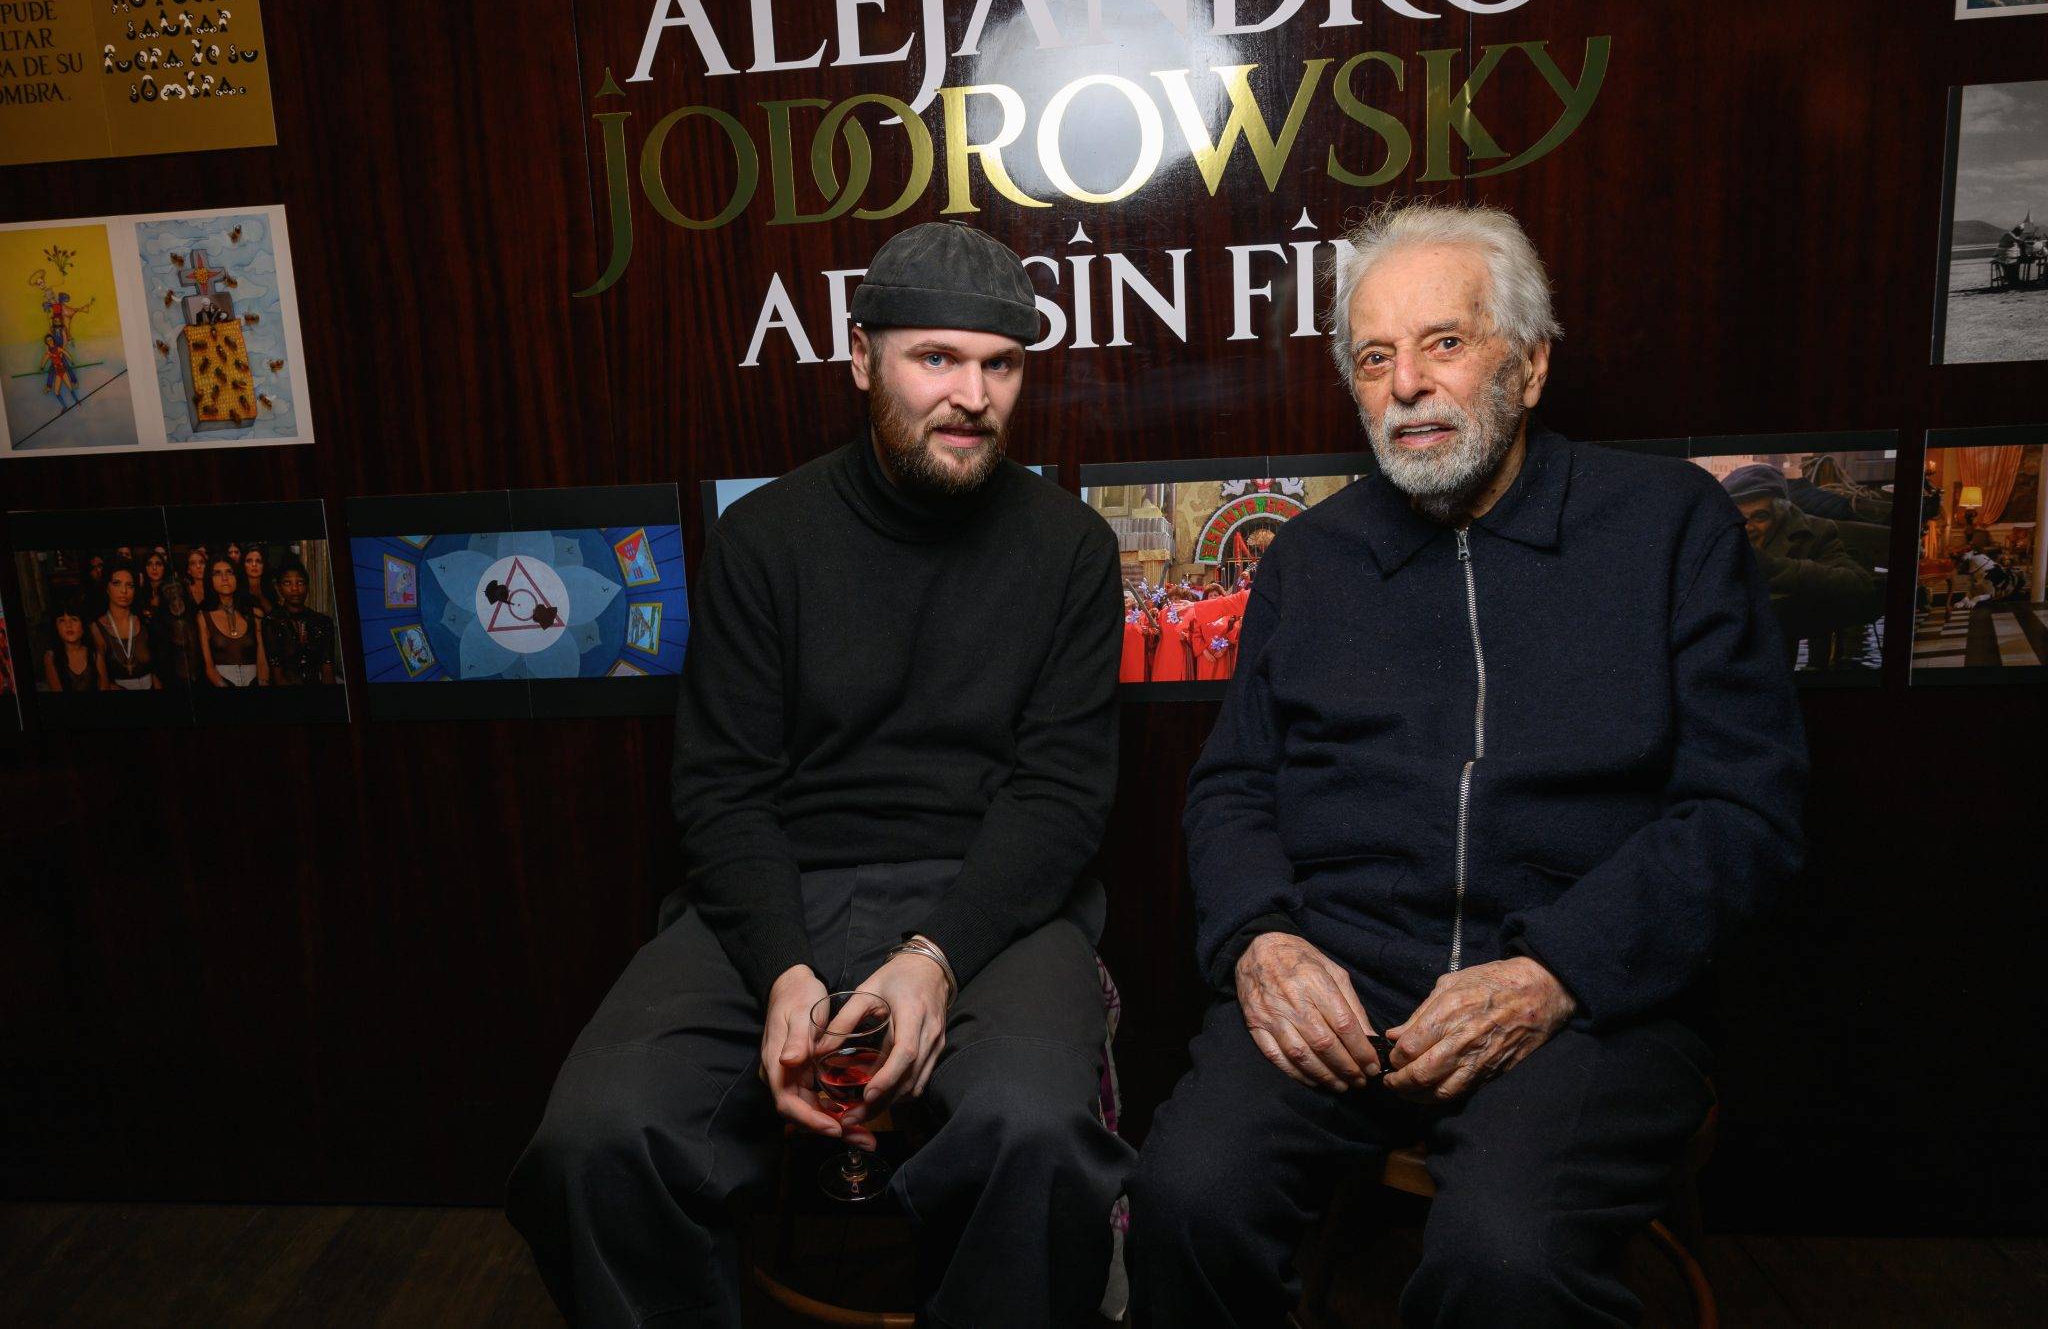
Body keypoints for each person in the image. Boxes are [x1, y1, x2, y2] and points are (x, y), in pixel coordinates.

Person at [1128, 201, 1807, 1328]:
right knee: (1182, 1199)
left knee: (1507, 1261)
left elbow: (1743, 811)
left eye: (1443, 342)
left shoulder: (1666, 529)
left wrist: (1556, 972)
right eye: (1374, 357)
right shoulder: (1309, 560)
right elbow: (1233, 786)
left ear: (1530, 366)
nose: (1405, 385)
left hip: (1584, 989)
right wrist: (1260, 939)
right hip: (1340, 978)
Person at [509, 221, 1131, 1329]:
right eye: (934, 358)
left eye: (1000, 366)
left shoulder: (1070, 548)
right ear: (859, 359)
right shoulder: (765, 539)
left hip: (986, 900)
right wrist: (784, 972)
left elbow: (1059, 797)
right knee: (595, 1137)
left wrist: (933, 960)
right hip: (785, 888)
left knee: (1033, 1135)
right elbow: (723, 789)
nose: (972, 395)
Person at [1720, 464, 1881, 668]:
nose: (1748, 528)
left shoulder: (1814, 532)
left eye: (1760, 517)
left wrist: (1774, 569)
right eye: (1739, 519)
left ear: (1780, 513)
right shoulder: (1712, 534)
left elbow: (1860, 584)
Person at [263, 560, 338, 685]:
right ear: (279, 587)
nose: (295, 588)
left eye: (300, 582)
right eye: (287, 583)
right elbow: (276, 672)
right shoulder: (271, 622)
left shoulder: (323, 622)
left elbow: (327, 669)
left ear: (307, 586)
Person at [197, 556, 267, 687]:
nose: (224, 578)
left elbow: (262, 659)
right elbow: (209, 666)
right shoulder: (203, 616)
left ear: (237, 577)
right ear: (210, 580)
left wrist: (263, 683)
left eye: (229, 572)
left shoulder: (255, 613)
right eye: (217, 573)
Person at [91, 561, 158, 690]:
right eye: (117, 583)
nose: (124, 590)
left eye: (130, 585)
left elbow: (156, 670)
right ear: (107, 587)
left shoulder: (145, 622)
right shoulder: (97, 627)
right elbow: (101, 682)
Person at [241, 544, 274, 619]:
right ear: (243, 564)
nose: (254, 564)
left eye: (258, 561)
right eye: (249, 561)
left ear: (264, 565)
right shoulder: (238, 591)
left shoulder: (272, 589)